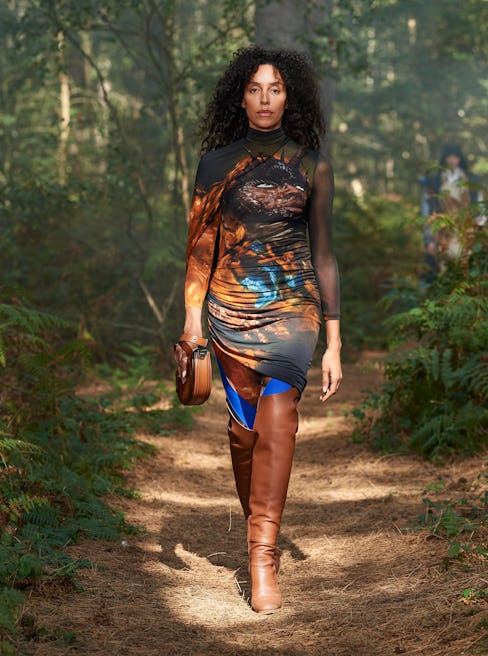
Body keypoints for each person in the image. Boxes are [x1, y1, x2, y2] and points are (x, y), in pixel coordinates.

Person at [174, 46, 342, 614]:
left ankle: (261, 560)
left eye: (275, 89)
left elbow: (326, 254)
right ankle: (259, 525)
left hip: (295, 310)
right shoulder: (215, 165)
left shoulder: (311, 164)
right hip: (228, 309)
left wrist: (335, 341)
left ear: (289, 96)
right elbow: (200, 247)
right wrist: (192, 320)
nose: (265, 99)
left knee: (278, 415)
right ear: (239, 97)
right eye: (254, 89)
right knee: (246, 429)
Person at [421, 143, 486, 283]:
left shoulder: (471, 180)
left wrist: (480, 227)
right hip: (442, 230)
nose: (452, 160)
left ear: (460, 158)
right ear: (445, 158)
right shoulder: (434, 180)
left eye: (455, 156)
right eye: (449, 157)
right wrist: (429, 239)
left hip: (466, 229)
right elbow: (427, 208)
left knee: (465, 267)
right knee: (441, 269)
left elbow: (480, 204)